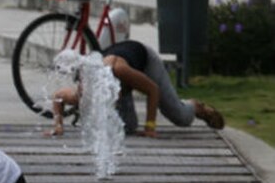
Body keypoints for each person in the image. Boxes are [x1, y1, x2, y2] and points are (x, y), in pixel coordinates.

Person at [46, 39, 225, 137]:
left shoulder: (118, 71)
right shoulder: (85, 91)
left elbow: (153, 90)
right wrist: (58, 125)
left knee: (179, 117)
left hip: (143, 60)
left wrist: (150, 127)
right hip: (121, 76)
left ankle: (195, 106)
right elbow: (57, 97)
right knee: (128, 127)